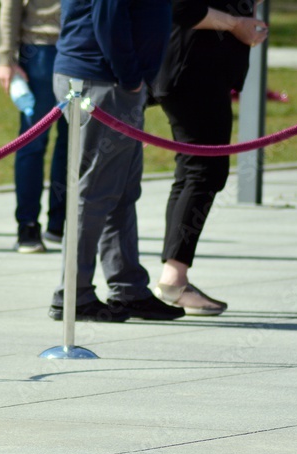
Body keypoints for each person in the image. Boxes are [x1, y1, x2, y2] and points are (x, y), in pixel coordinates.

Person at [48, 0, 185, 322]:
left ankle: (128, 288)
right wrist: (130, 78)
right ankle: (73, 294)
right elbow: (108, 18)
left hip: (104, 80)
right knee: (96, 193)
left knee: (120, 190)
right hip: (104, 82)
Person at [151, 0, 267, 315]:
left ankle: (174, 276)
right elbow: (180, 7)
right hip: (192, 74)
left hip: (196, 73)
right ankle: (174, 279)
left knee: (195, 173)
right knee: (204, 172)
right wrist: (235, 24)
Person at [0, 0, 67, 253]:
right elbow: (11, 5)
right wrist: (5, 58)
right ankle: (27, 226)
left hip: (81, 48)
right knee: (32, 142)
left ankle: (60, 223)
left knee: (73, 143)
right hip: (40, 51)